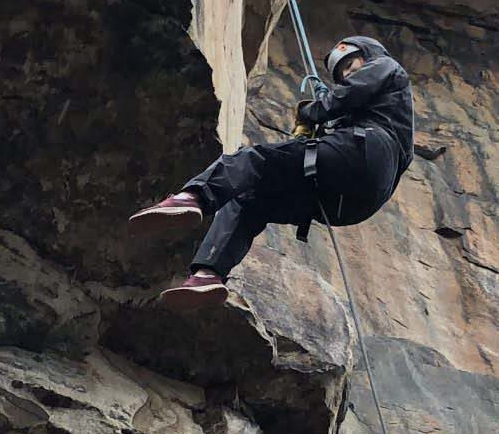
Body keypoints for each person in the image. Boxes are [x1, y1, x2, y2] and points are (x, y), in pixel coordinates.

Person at [132, 36, 415, 303]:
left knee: (255, 159)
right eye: (341, 73)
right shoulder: (374, 111)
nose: (347, 74)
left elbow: (349, 94)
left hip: (363, 154)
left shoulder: (387, 67)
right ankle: (208, 274)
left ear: (369, 56)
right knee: (249, 200)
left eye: (352, 65)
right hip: (349, 202)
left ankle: (194, 196)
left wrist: (311, 112)